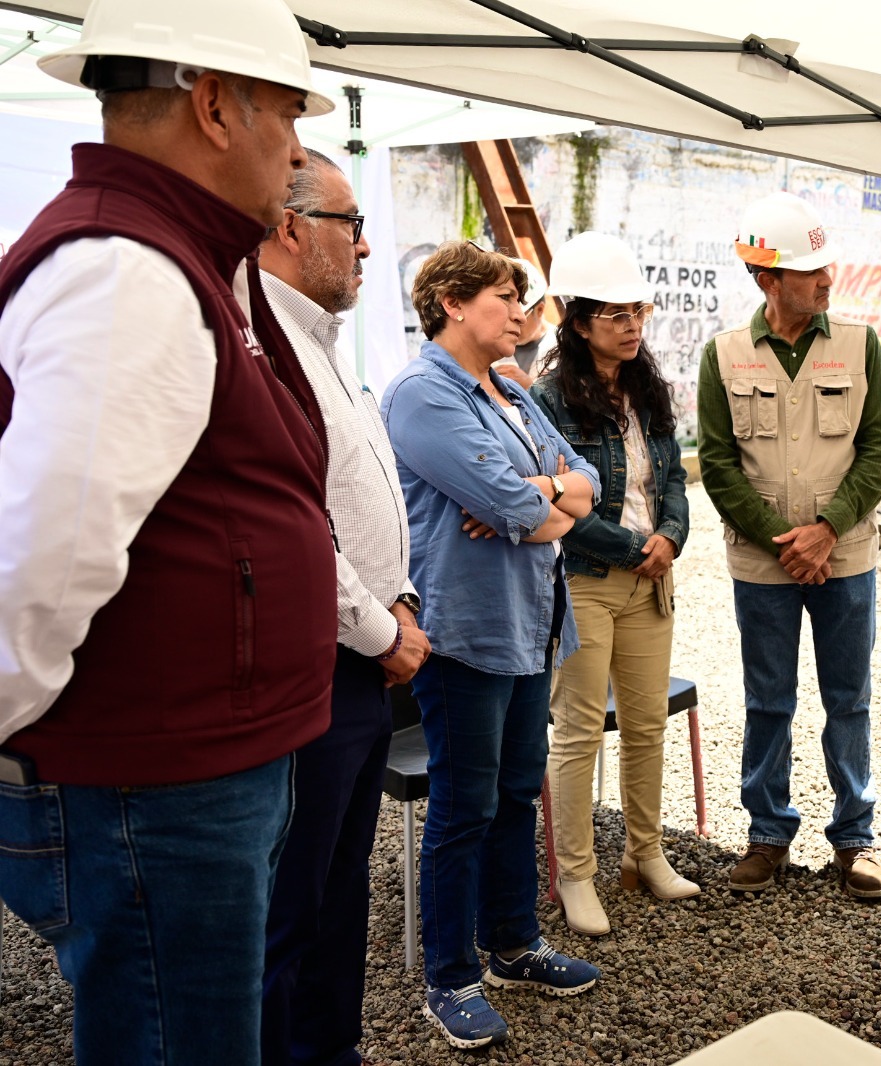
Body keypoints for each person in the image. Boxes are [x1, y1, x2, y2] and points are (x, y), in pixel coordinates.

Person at [0, 1, 338, 1061]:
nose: (293, 152)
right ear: (215, 106)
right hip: (150, 785)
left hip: (181, 772)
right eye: (287, 114)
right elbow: (38, 565)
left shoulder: (181, 254)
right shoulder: (128, 271)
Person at [382, 241, 602, 1050]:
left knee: (516, 794)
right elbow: (512, 507)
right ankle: (451, 978)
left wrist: (546, 494)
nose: (521, 313)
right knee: (464, 808)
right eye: (506, 297)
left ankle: (513, 945)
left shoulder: (506, 389)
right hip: (466, 635)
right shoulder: (419, 395)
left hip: (530, 623)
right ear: (451, 303)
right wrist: (538, 501)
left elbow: (583, 481)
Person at [258, 149, 430, 1066]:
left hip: (364, 659)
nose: (366, 249)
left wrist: (396, 600)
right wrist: (382, 629)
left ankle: (332, 1050)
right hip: (319, 668)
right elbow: (292, 530)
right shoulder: (263, 347)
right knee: (294, 903)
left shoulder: (320, 342)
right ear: (290, 228)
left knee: (339, 890)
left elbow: (360, 508)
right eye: (349, 225)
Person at [697, 191, 881, 900]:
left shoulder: (859, 345)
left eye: (826, 265)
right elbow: (717, 464)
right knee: (768, 700)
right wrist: (781, 542)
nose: (826, 278)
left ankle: (855, 839)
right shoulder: (722, 356)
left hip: (843, 557)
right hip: (762, 564)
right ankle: (768, 836)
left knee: (850, 698)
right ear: (765, 278)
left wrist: (826, 530)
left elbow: (879, 452)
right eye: (808, 269)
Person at [531, 232, 695, 937]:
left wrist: (672, 539)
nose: (632, 327)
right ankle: (576, 876)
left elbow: (676, 479)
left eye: (639, 312)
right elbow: (558, 509)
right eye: (615, 315)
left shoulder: (648, 388)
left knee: (647, 724)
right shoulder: (548, 397)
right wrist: (638, 545)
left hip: (649, 581)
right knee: (577, 735)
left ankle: (644, 856)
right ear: (575, 320)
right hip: (589, 582)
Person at [493, 258, 551, 390]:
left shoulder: (563, 348)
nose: (509, 324)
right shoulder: (491, 347)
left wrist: (531, 387)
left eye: (517, 319)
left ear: (540, 310)